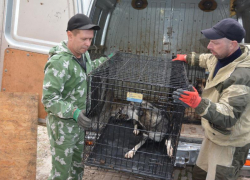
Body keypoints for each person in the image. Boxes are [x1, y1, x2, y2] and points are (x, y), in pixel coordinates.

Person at [172, 18, 250, 180]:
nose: (209, 46)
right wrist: (186, 57)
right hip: (213, 133)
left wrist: (198, 103)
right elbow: (206, 59)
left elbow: (228, 117)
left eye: (215, 42)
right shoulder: (223, 56)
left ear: (233, 44)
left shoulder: (242, 76)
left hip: (229, 141)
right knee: (201, 173)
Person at [42, 14, 112, 180]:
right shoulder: (59, 62)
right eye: (84, 39)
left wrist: (105, 61)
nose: (88, 44)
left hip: (78, 125)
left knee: (77, 167)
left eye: (90, 39)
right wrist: (73, 112)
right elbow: (49, 98)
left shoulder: (83, 55)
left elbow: (88, 70)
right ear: (70, 35)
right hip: (62, 127)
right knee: (61, 173)